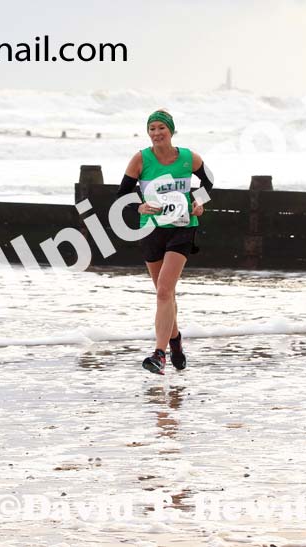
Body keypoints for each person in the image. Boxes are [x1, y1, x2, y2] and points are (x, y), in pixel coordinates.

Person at [117, 109, 213, 374]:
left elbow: (208, 181)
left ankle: (159, 354)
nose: (157, 133)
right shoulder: (141, 159)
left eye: (162, 128)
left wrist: (199, 201)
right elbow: (122, 195)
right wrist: (138, 207)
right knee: (165, 293)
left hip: (182, 228)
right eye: (152, 128)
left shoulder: (187, 158)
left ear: (171, 130)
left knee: (163, 290)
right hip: (151, 230)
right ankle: (175, 340)